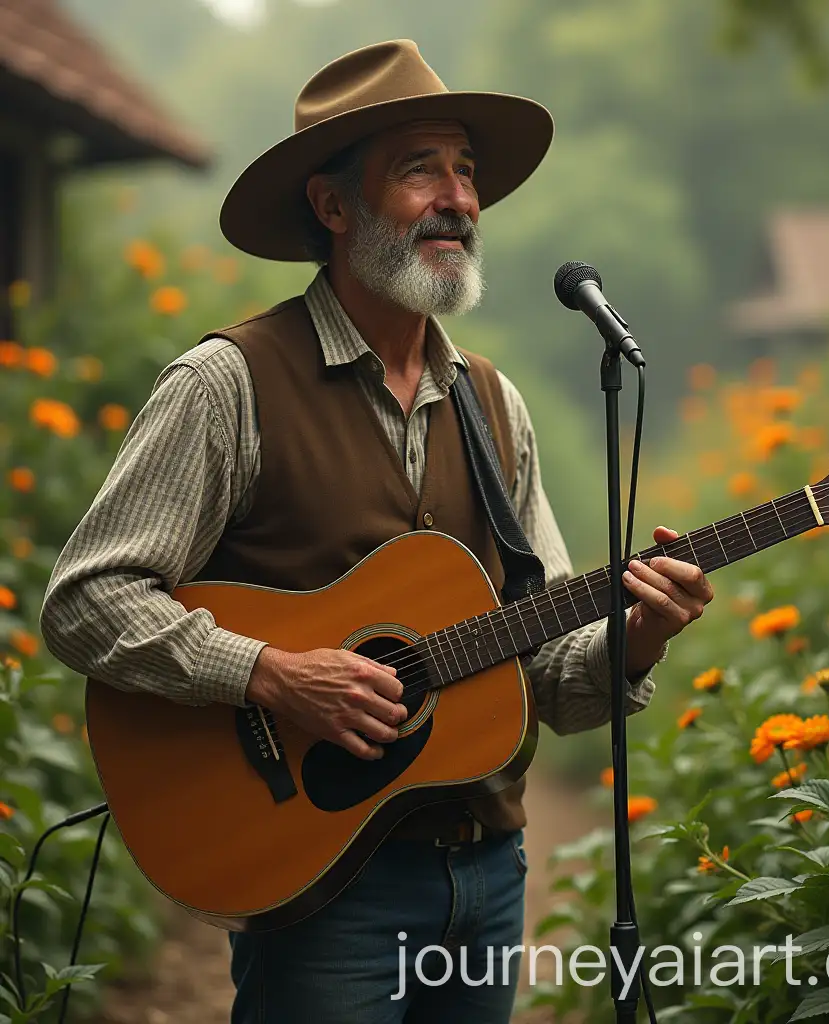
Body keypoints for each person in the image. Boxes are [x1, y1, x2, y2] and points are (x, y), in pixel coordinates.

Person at [39, 39, 713, 1024]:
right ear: (332, 205)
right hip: (321, 892)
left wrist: (639, 636)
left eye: (467, 170)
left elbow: (546, 679)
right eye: (420, 170)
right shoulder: (227, 385)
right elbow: (85, 601)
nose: (459, 198)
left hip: (489, 876)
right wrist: (270, 674)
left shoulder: (496, 405)